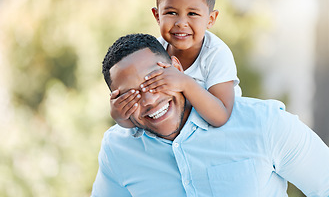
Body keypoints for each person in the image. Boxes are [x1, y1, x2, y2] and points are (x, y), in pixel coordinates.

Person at [92, 33, 329, 197]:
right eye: (130, 97)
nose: (150, 101)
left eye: (155, 81)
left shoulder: (265, 124)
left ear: (177, 68)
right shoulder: (117, 150)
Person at [109, 0, 242, 128]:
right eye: (171, 13)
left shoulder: (216, 54)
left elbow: (221, 117)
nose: (181, 23)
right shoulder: (152, 53)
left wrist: (185, 83)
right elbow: (142, 116)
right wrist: (120, 117)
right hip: (177, 129)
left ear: (210, 19)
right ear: (157, 16)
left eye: (192, 14)